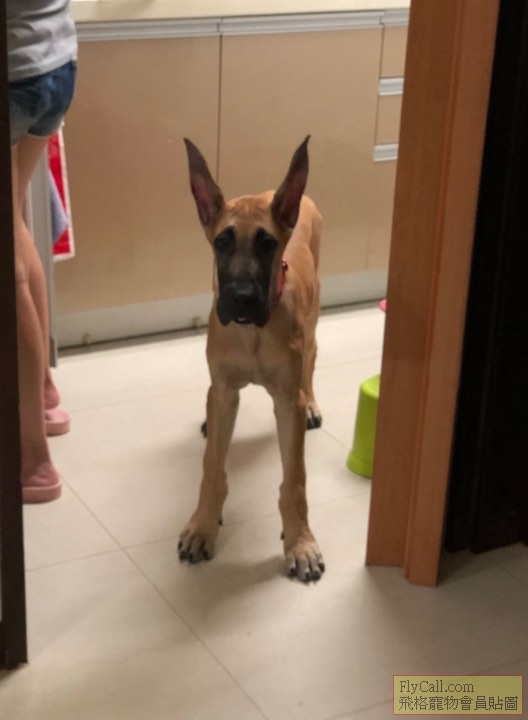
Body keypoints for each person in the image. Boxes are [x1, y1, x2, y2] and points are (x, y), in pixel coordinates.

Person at [7, 0, 77, 502]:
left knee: (6, 254)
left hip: (14, 71)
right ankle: (44, 392)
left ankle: (33, 460)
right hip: (57, 61)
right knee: (13, 221)